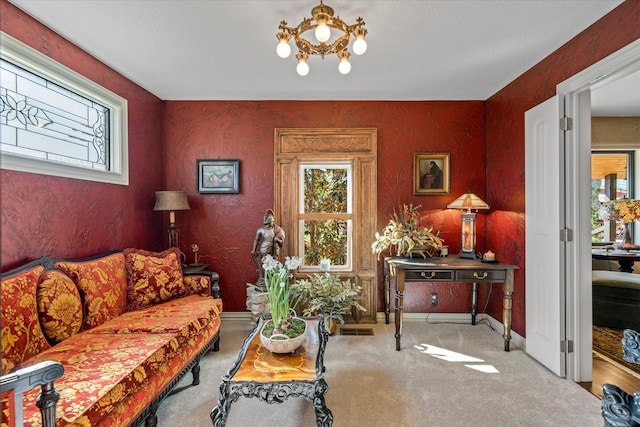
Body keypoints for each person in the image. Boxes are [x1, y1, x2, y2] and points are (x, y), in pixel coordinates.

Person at [251, 209, 285, 289]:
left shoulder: (276, 230)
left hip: (272, 252)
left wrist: (277, 240)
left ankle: (271, 282)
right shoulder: (261, 230)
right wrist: (254, 250)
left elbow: (281, 240)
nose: (269, 225)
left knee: (272, 267)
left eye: (270, 223)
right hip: (263, 251)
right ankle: (262, 281)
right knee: (263, 267)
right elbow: (256, 240)